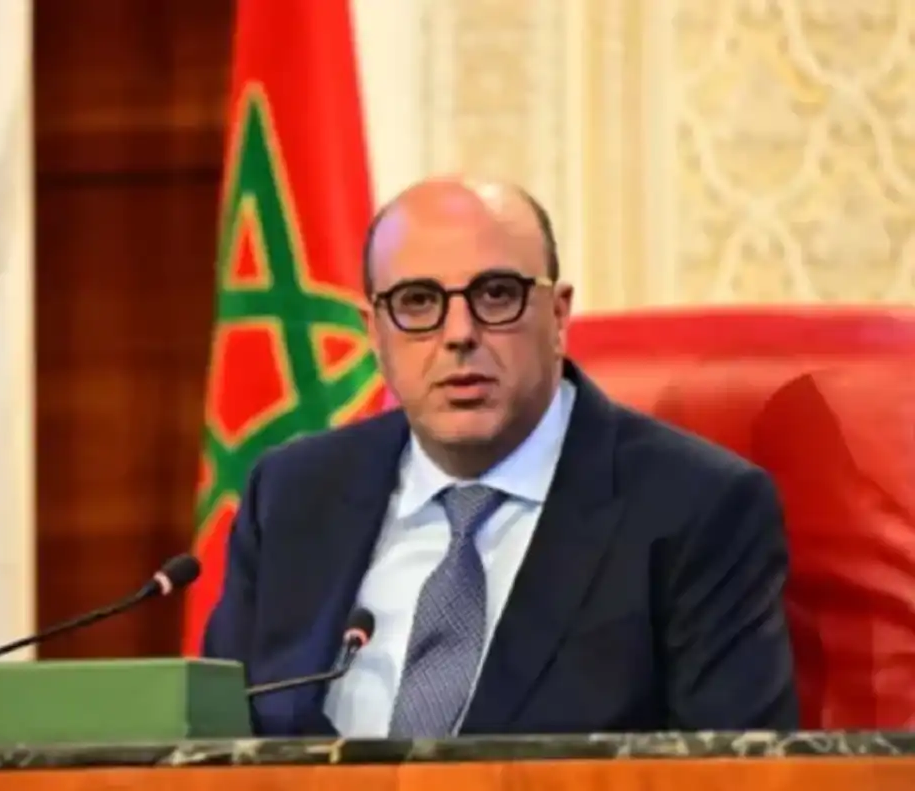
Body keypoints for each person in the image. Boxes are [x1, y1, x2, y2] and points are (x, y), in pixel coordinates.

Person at [202, 176, 799, 738]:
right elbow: (212, 743)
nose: (459, 333)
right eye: (417, 301)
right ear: (375, 333)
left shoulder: (697, 510)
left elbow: (736, 775)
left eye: (496, 295)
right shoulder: (291, 495)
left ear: (558, 316)